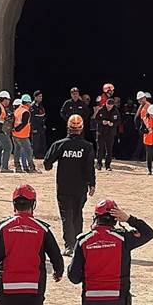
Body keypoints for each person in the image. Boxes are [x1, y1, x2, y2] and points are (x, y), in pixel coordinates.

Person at [67, 199, 153, 305]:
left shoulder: (83, 241)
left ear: (96, 217)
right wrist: (129, 219)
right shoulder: (123, 239)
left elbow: (74, 277)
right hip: (116, 302)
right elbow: (149, 233)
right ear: (115, 219)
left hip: (91, 304)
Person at [43, 115, 96, 256]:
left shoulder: (60, 145)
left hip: (64, 187)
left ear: (68, 127)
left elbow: (47, 163)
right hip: (80, 188)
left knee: (66, 215)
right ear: (82, 128)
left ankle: (69, 246)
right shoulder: (87, 147)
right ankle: (79, 244)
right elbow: (90, 167)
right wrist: (92, 184)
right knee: (77, 214)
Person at [12, 94, 39, 173]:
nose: (30, 105)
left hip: (15, 135)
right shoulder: (26, 112)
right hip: (22, 135)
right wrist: (17, 129)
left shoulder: (17, 110)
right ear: (27, 103)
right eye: (30, 103)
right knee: (28, 151)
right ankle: (32, 168)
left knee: (17, 151)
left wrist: (14, 130)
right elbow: (23, 124)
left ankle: (18, 167)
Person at [95, 98, 121, 171]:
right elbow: (96, 119)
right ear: (106, 104)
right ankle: (99, 164)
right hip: (101, 132)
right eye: (108, 105)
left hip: (110, 133)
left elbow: (119, 121)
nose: (109, 107)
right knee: (100, 149)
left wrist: (113, 124)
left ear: (113, 105)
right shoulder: (101, 110)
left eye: (111, 106)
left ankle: (108, 165)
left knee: (109, 150)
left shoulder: (116, 111)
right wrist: (102, 122)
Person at [132, 92, 151, 161]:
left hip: (145, 128)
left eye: (141, 99)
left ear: (144, 98)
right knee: (141, 143)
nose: (139, 101)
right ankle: (141, 157)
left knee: (144, 143)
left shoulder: (147, 106)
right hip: (141, 127)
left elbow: (147, 118)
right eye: (138, 100)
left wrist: (146, 127)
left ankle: (144, 157)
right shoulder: (142, 105)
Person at [30, 91, 47, 159]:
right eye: (39, 96)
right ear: (35, 97)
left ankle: (42, 155)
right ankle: (35, 156)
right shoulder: (32, 106)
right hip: (36, 128)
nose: (41, 98)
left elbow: (42, 115)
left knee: (42, 142)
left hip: (41, 127)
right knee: (35, 143)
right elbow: (32, 119)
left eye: (41, 96)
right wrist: (33, 128)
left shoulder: (40, 105)